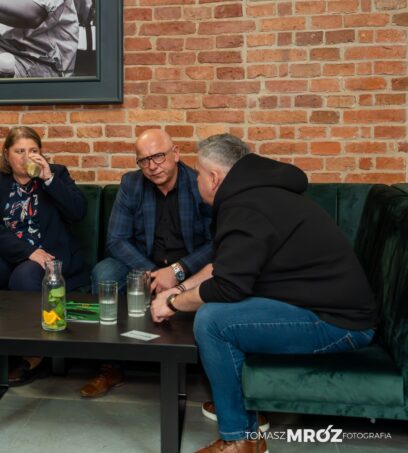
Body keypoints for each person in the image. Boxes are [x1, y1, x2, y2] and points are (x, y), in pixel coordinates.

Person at [150, 134, 378, 453]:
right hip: (321, 307)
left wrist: (173, 303)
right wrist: (180, 288)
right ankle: (239, 405)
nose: (196, 180)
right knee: (217, 310)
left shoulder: (246, 206)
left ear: (214, 178)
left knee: (213, 321)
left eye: (199, 174)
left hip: (340, 323)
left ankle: (241, 438)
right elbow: (224, 266)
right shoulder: (255, 193)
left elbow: (227, 286)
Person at [81, 129, 214, 399]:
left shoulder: (198, 184)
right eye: (144, 160)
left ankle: (205, 369)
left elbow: (216, 242)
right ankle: (110, 366)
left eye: (159, 156)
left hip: (189, 266)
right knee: (104, 273)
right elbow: (116, 240)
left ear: (175, 154)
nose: (152, 166)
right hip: (143, 264)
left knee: (216, 276)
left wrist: (177, 271)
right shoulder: (132, 184)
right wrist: (153, 273)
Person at [0, 125, 89, 385]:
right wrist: (30, 251)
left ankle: (32, 355)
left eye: (33, 150)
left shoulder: (56, 174)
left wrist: (48, 179)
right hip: (8, 252)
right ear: (7, 155)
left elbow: (78, 212)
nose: (27, 156)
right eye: (19, 151)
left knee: (25, 277)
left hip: (48, 253)